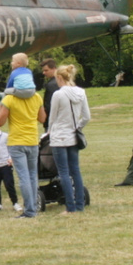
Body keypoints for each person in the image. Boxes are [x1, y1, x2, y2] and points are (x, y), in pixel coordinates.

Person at [0, 63, 46, 219]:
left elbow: (0, 121)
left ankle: (30, 210)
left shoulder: (9, 99)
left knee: (23, 177)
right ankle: (33, 207)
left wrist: (1, 105)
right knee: (33, 176)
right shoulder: (37, 97)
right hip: (32, 140)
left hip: (17, 141)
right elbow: (42, 118)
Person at [49, 64, 90, 213]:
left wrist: (49, 131)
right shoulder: (81, 92)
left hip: (59, 136)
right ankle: (80, 204)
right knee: (75, 170)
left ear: (59, 78)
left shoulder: (58, 94)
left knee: (64, 172)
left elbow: (52, 117)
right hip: (73, 135)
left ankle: (70, 206)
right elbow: (86, 116)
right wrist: (77, 126)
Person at [40, 58, 59, 131]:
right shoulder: (64, 81)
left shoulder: (51, 85)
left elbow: (49, 106)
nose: (44, 73)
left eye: (46, 70)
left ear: (54, 69)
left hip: (52, 123)